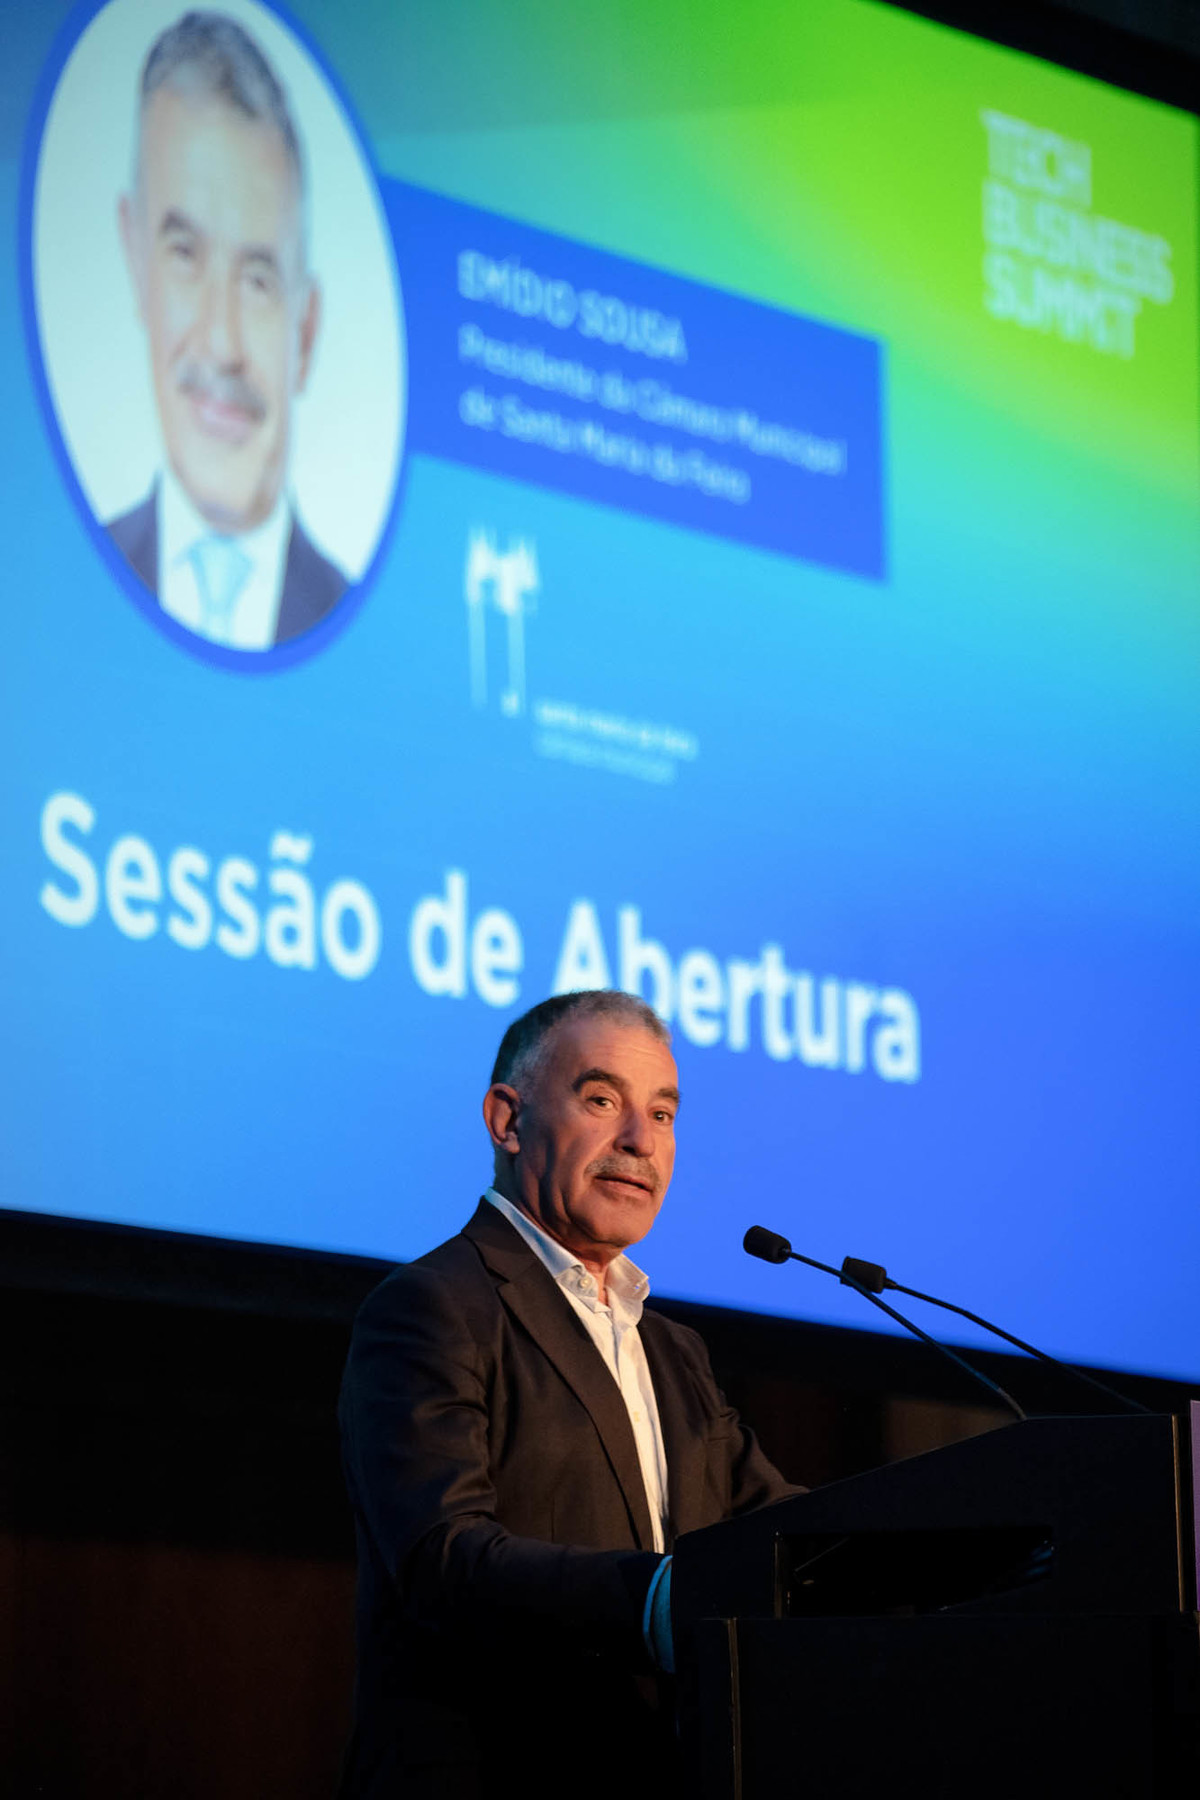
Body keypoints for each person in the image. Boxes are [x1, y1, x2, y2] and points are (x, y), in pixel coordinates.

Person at [338, 990, 800, 1800]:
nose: (639, 1142)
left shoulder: (673, 1351)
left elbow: (785, 1530)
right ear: (507, 1121)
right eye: (601, 1100)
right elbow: (442, 1558)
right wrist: (652, 1599)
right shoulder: (434, 1307)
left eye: (662, 1115)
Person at [109, 11, 346, 649]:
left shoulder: (369, 637)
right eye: (184, 255)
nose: (221, 343)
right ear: (136, 263)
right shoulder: (49, 589)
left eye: (258, 281)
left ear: (307, 330)